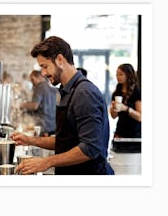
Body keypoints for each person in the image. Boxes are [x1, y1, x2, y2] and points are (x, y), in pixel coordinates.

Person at [11, 36, 114, 175]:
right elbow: (65, 141)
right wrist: (29, 140)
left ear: (60, 60)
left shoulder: (84, 93)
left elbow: (90, 148)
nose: (43, 73)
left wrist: (46, 162)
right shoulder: (68, 91)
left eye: (45, 66)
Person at [20, 70, 57, 136]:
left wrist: (21, 105)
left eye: (33, 79)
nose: (32, 82)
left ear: (39, 77)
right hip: (52, 125)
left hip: (42, 126)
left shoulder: (39, 86)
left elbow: (35, 106)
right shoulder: (51, 88)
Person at [110, 63, 141, 138]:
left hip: (134, 134)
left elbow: (140, 117)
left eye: (121, 74)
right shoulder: (117, 92)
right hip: (119, 132)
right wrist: (114, 108)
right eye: (117, 74)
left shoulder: (136, 92)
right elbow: (113, 116)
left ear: (128, 75)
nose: (118, 77)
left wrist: (126, 108)